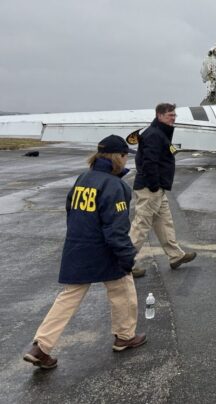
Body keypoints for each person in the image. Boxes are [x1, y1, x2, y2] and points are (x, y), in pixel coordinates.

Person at [23, 135, 146, 369]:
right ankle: (124, 335)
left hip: (78, 246)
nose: (125, 159)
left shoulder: (83, 178)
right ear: (117, 157)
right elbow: (116, 229)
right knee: (123, 288)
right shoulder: (115, 186)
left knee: (69, 297)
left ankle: (41, 346)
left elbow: (70, 210)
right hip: (104, 250)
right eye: (124, 155)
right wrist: (127, 256)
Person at [130, 103, 196, 278]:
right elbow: (148, 162)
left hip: (158, 188)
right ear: (159, 116)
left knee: (164, 222)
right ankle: (124, 263)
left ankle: (176, 256)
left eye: (174, 115)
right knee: (141, 225)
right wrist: (153, 185)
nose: (173, 118)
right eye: (169, 115)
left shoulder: (160, 133)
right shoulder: (153, 135)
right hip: (150, 188)